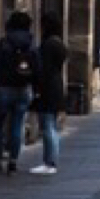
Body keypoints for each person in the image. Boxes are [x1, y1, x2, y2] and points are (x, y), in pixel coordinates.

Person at [0, 9, 38, 172]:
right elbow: (37, 68)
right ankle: (13, 161)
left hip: (4, 88)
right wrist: (35, 88)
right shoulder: (30, 44)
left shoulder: (5, 43)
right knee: (17, 125)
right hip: (23, 89)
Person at [31, 11, 68, 173]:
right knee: (51, 124)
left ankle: (50, 162)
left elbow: (43, 69)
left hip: (48, 88)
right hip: (56, 86)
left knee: (48, 126)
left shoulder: (48, 45)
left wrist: (38, 88)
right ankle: (51, 160)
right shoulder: (59, 44)